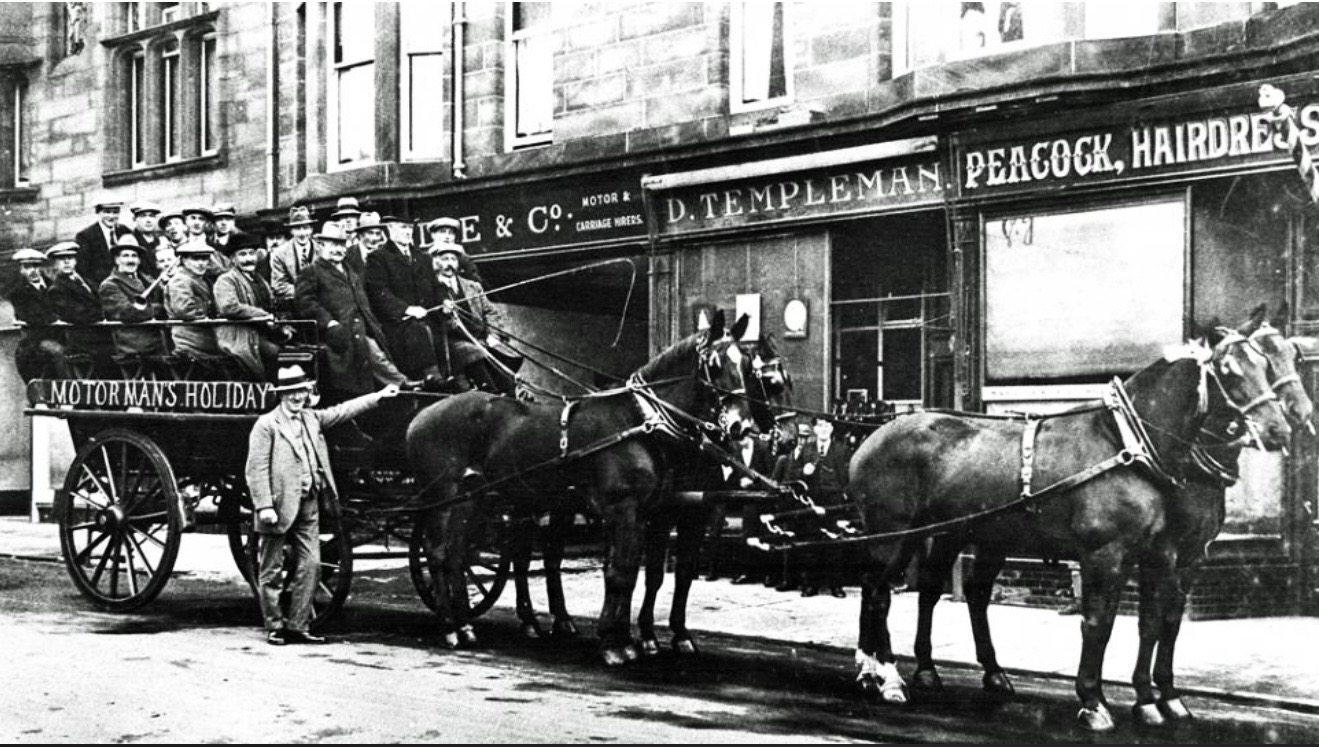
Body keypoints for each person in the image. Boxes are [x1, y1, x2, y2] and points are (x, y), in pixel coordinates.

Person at [245, 364, 400, 645]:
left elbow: (342, 411)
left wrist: (378, 395)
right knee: (271, 569)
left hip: (309, 503)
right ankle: (275, 626)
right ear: (281, 395)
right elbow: (255, 470)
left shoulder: (311, 419)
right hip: (278, 506)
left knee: (312, 565)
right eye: (291, 392)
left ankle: (299, 625)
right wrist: (264, 506)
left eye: (302, 391)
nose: (297, 397)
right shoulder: (266, 425)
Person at [294, 222, 416, 398]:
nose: (339, 249)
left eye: (342, 245)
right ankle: (402, 384)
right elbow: (305, 303)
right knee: (370, 350)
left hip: (365, 325)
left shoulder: (350, 270)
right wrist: (329, 323)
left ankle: (405, 387)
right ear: (321, 246)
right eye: (333, 244)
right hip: (338, 331)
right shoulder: (311, 271)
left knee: (392, 339)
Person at [425, 237, 516, 395]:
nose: (449, 263)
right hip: (452, 342)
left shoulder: (473, 287)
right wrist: (445, 314)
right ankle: (490, 393)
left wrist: (492, 335)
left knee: (505, 360)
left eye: (453, 259)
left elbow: (490, 312)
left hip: (480, 338)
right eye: (444, 259)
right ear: (436, 262)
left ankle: (510, 393)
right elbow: (432, 318)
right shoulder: (431, 289)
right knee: (472, 352)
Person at [364, 213, 444, 381]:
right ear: (391, 230)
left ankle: (453, 377)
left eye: (409, 228)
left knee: (441, 332)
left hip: (427, 319)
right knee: (418, 331)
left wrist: (444, 301)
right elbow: (379, 293)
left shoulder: (423, 258)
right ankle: (432, 378)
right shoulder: (378, 258)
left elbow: (437, 287)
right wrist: (407, 309)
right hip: (398, 324)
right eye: (403, 228)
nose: (408, 232)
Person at [794, 415, 854, 598]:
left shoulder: (841, 449)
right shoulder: (806, 449)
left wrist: (845, 494)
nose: (824, 428)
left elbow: (851, 474)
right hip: (812, 501)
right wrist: (803, 472)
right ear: (815, 429)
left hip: (834, 501)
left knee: (834, 543)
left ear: (832, 429)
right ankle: (810, 585)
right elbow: (792, 472)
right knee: (811, 541)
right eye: (820, 425)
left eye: (828, 425)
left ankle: (836, 586)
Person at [214, 234, 287, 380]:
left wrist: (283, 324)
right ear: (233, 259)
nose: (248, 259)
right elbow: (229, 307)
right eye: (242, 255)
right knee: (273, 352)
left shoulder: (260, 280)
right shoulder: (226, 280)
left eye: (251, 253)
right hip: (239, 333)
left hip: (262, 330)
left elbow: (273, 305)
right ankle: (269, 390)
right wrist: (263, 315)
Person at [46, 240, 115, 376]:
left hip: (101, 335)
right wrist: (104, 314)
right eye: (61, 259)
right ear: (55, 263)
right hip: (82, 339)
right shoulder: (57, 289)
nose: (66, 262)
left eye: (70, 258)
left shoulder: (87, 282)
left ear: (75, 261)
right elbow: (77, 315)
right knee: (110, 358)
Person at [98, 236, 168, 361]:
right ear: (116, 260)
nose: (130, 260)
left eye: (134, 256)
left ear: (139, 260)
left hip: (158, 337)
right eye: (125, 256)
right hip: (135, 342)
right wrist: (159, 308)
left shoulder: (146, 279)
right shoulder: (110, 285)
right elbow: (129, 313)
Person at [7, 247, 69, 381]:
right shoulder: (18, 293)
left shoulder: (54, 286)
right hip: (37, 339)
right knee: (57, 352)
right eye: (27, 267)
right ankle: (65, 393)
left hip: (62, 335)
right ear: (21, 270)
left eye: (36, 266)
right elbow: (31, 315)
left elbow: (66, 307)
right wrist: (54, 318)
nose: (33, 271)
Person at [164, 242, 225, 363]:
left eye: (205, 258)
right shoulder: (180, 280)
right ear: (184, 260)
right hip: (190, 338)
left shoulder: (202, 279)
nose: (201, 263)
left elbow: (222, 272)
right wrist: (211, 318)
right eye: (196, 258)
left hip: (204, 336)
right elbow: (185, 310)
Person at [74, 199, 133, 288]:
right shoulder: (86, 236)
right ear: (98, 212)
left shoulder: (124, 231)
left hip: (126, 286)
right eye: (107, 212)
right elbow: (83, 271)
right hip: (100, 288)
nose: (111, 216)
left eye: (115, 212)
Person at [269, 205, 316, 313]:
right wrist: (305, 294)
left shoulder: (322, 251)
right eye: (297, 228)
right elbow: (279, 285)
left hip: (321, 307)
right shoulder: (279, 254)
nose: (302, 233)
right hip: (292, 309)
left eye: (305, 228)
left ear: (311, 229)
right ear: (291, 231)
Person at [129, 201, 166, 277]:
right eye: (143, 216)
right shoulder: (131, 241)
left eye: (152, 216)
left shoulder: (160, 241)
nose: (148, 220)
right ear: (134, 219)